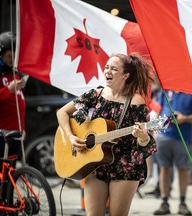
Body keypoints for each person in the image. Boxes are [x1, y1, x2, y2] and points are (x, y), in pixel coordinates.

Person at [56, 53, 156, 216]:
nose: (107, 71)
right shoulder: (96, 95)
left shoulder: (135, 101)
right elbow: (62, 113)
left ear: (125, 75)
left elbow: (145, 142)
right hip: (95, 165)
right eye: (106, 67)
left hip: (125, 168)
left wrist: (143, 137)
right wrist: (70, 136)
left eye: (114, 69)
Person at [153, 90, 192, 216]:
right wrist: (155, 130)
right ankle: (164, 202)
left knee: (183, 170)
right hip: (163, 136)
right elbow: (158, 110)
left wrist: (184, 118)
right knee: (164, 169)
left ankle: (182, 202)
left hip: (184, 138)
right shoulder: (164, 91)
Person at [0, 31, 26, 170]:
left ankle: (7, 193)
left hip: (15, 133)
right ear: (1, 52)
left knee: (10, 174)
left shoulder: (13, 71)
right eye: (10, 56)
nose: (12, 59)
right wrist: (8, 89)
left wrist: (22, 128)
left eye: (16, 56)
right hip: (0, 134)